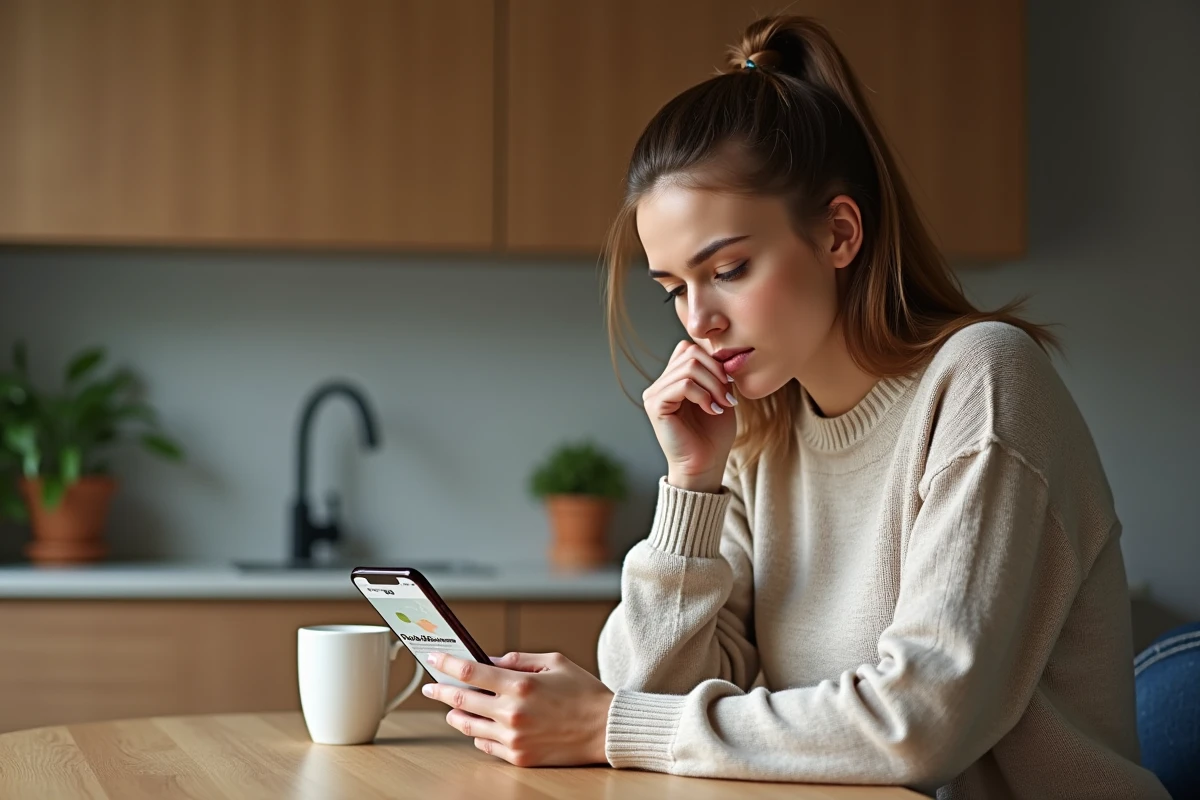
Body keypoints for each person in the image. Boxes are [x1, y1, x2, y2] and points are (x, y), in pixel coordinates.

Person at [421, 14, 1170, 799]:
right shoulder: (762, 438)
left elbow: (921, 723)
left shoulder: (982, 382)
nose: (697, 320)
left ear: (840, 233)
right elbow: (654, 693)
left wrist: (607, 724)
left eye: (731, 269)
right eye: (675, 289)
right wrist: (691, 485)